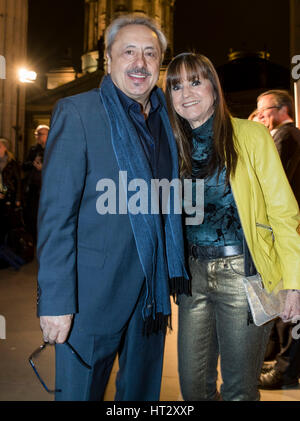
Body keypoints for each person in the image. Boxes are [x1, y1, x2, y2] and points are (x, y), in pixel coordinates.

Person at [37, 14, 189, 401]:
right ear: (109, 60)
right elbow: (57, 217)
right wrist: (55, 302)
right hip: (89, 301)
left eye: (150, 54)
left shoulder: (169, 121)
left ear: (159, 63)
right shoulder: (78, 113)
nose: (140, 63)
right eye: (129, 52)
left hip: (150, 301)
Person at [164, 52, 300, 401]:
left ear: (213, 86)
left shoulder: (252, 136)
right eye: (176, 85)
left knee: (239, 390)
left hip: (244, 276)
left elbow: (283, 213)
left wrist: (294, 284)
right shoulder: (171, 146)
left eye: (195, 81)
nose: (186, 92)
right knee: (194, 389)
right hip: (191, 279)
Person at [256, 90, 300, 389]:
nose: (260, 117)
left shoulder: (284, 137)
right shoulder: (290, 136)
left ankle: (285, 370)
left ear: (281, 109)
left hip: (289, 233)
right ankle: (282, 363)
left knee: (290, 308)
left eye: (263, 111)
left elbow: (273, 184)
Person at [0, 138, 21, 243]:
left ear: (5, 148)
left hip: (9, 196)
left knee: (7, 221)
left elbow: (16, 181)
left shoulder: (12, 163)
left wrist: (18, 198)